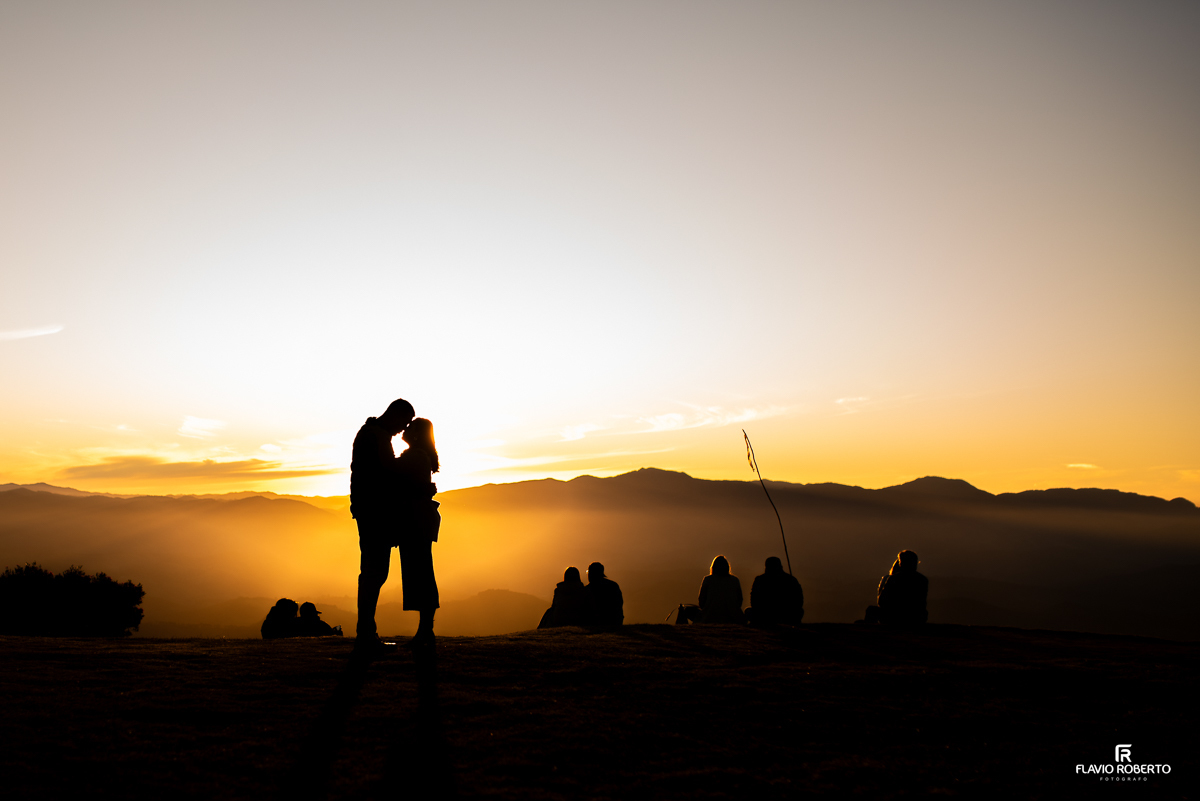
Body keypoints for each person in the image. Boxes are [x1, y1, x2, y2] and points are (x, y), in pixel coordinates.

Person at [350, 398, 417, 654]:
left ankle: (366, 633)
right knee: (374, 573)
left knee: (373, 573)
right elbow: (388, 472)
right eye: (404, 421)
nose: (404, 428)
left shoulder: (370, 432)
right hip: (375, 513)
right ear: (395, 415)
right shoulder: (376, 435)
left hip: (369, 511)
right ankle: (366, 635)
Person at [393, 417, 441, 647]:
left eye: (410, 427)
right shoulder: (419, 456)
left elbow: (395, 477)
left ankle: (426, 629)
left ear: (416, 434)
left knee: (420, 574)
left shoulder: (415, 457)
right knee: (421, 572)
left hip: (416, 522)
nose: (405, 429)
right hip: (418, 520)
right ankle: (425, 629)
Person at [862, 550, 928, 626]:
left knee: (871, 610)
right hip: (915, 618)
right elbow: (922, 603)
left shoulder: (893, 579)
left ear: (901, 563)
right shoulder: (922, 580)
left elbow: (882, 601)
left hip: (893, 618)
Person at [677, 555, 744, 624]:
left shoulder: (708, 579)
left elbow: (701, 601)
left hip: (709, 618)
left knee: (686, 610)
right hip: (732, 618)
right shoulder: (734, 580)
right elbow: (739, 601)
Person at [746, 556, 804, 626]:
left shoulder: (760, 580)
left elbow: (754, 599)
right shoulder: (790, 579)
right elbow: (799, 599)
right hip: (787, 614)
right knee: (800, 611)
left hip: (765, 615)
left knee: (748, 611)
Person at [586, 562, 623, 626]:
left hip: (594, 622)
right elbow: (619, 603)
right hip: (614, 621)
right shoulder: (613, 586)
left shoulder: (587, 589)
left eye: (589, 572)